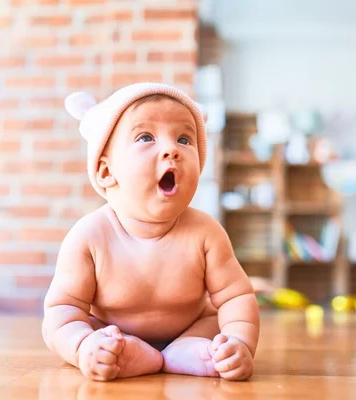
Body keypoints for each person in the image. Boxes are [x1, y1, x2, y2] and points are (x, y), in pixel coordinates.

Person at [42, 83, 260, 382]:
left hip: (191, 328)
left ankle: (186, 351)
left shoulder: (206, 232)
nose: (172, 149)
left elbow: (236, 296)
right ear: (106, 172)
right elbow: (63, 307)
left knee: (213, 323)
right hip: (111, 332)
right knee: (72, 326)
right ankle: (114, 351)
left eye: (184, 139)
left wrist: (240, 344)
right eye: (146, 137)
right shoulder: (90, 236)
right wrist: (83, 346)